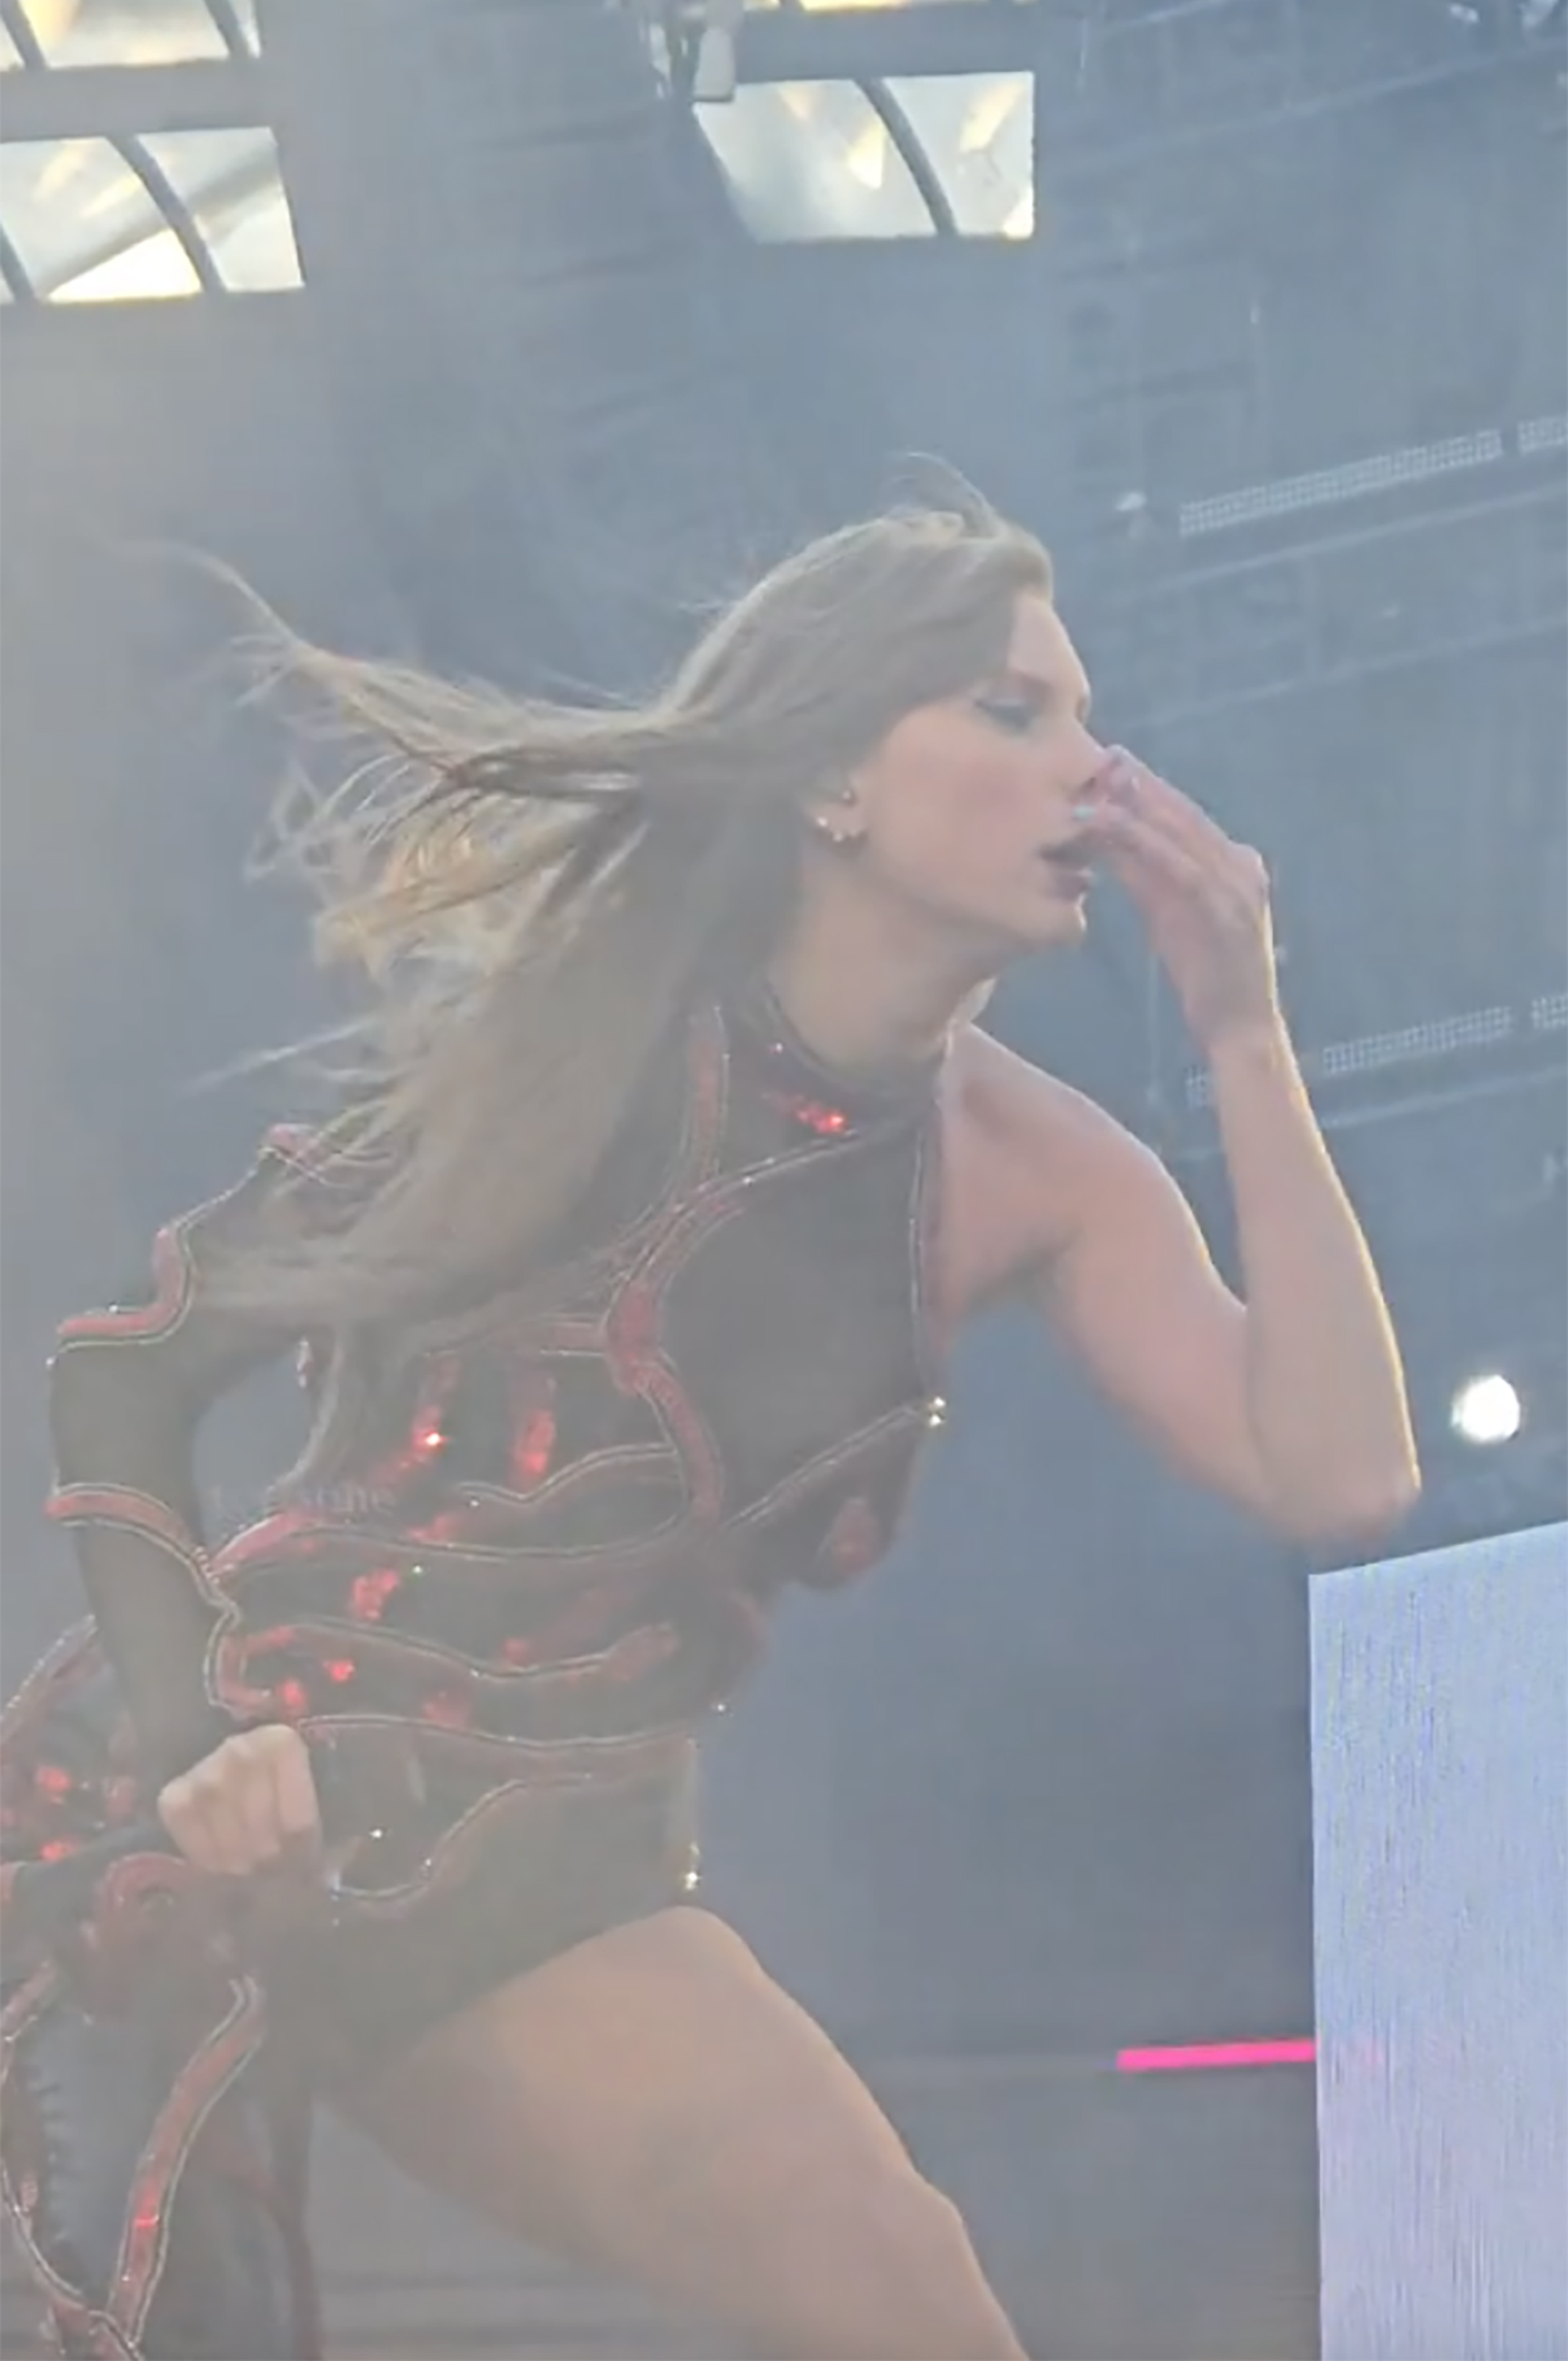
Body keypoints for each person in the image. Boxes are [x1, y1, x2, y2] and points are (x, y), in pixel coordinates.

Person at [0, 491, 1419, 2361]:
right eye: (1012, 711)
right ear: (835, 779)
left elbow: (1338, 1470)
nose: (1095, 769)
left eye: (1088, 715)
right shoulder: (588, 1040)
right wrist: (200, 1735)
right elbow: (129, 1357)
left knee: (914, 2305)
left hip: (549, 1865)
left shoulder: (1038, 1169)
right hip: (210, 1789)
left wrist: (1244, 1029)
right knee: (147, 2307)